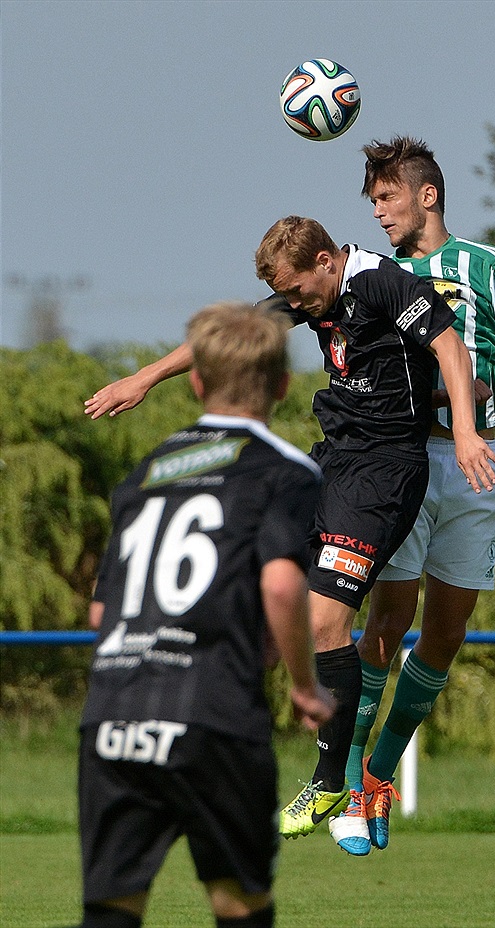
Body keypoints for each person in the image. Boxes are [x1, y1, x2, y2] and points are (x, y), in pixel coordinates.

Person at [83, 216, 495, 843]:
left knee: (329, 619)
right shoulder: (308, 290)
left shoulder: (384, 284)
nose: (298, 306)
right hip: (334, 462)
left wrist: (465, 430)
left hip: (386, 472)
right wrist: (141, 378)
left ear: (329, 260)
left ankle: (333, 781)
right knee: (258, 594)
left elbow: (450, 347)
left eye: (302, 293)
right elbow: (233, 338)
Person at [328, 137, 495, 857]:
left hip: (479, 465)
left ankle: (382, 772)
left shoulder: (487, 265)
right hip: (400, 462)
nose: (378, 213)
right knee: (388, 618)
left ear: (427, 195)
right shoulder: (369, 275)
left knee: (446, 633)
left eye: (387, 198)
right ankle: (350, 778)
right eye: (372, 201)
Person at [73, 301, 335, 928]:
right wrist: (304, 686)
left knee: (111, 908)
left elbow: (101, 611)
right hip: (212, 715)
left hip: (114, 717)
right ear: (282, 384)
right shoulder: (285, 471)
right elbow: (280, 585)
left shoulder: (147, 474)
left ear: (195, 381)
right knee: (238, 902)